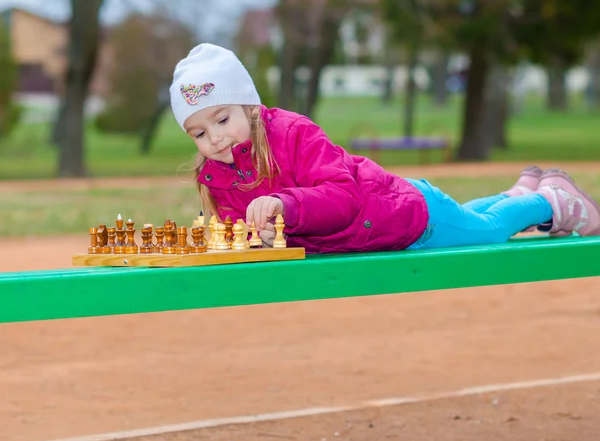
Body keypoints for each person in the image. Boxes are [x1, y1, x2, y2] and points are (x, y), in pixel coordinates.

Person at [169, 43, 600, 253]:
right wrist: (257, 239)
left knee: (485, 231)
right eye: (199, 133)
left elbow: (341, 198)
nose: (216, 139)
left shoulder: (293, 133)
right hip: (382, 218)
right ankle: (519, 194)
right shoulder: (217, 175)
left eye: (222, 119)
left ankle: (548, 201)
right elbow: (242, 234)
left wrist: (283, 206)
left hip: (404, 216)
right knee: (474, 218)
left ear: (250, 106)